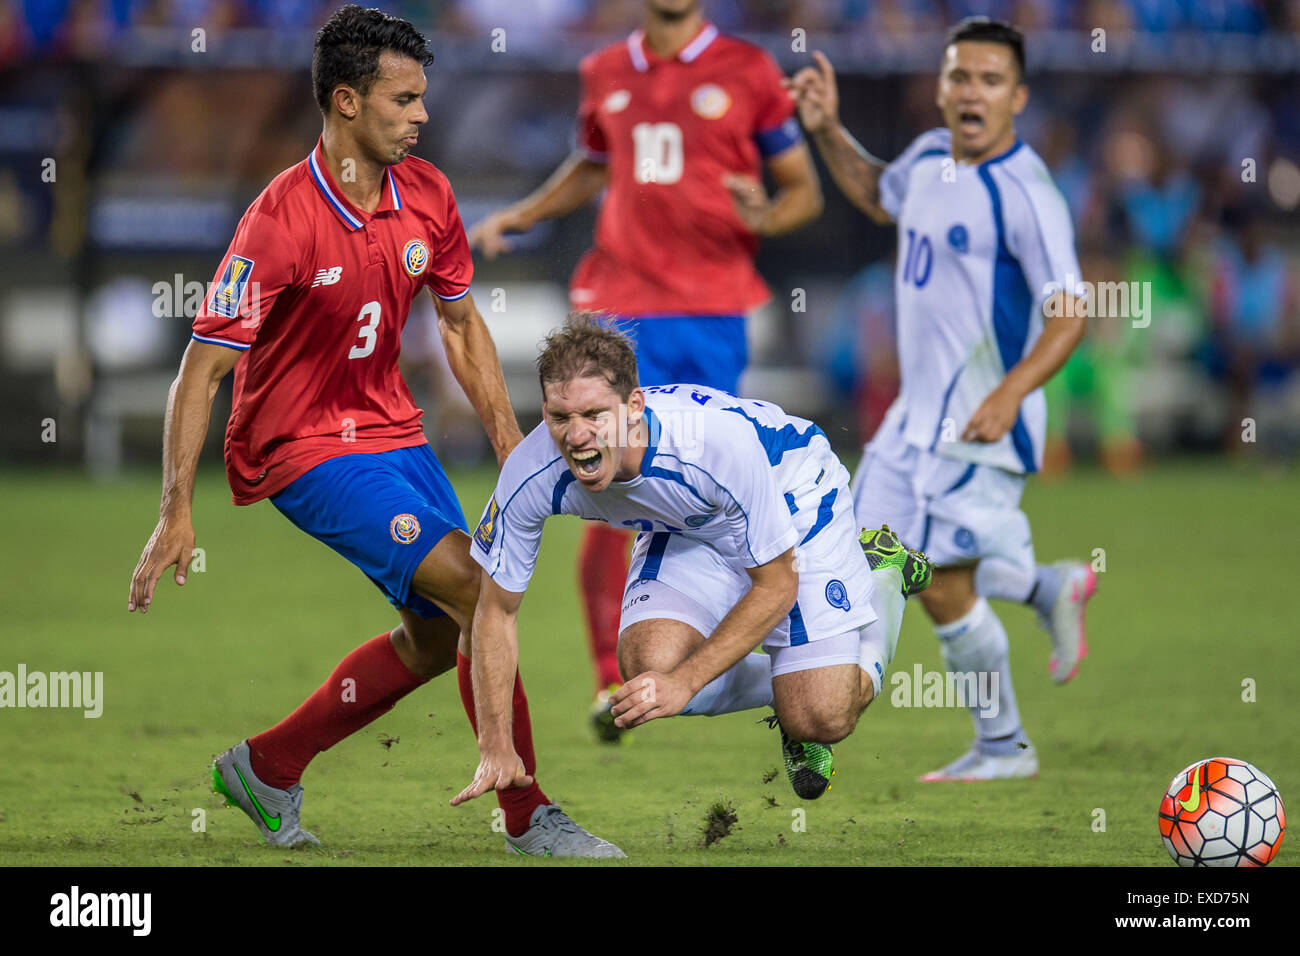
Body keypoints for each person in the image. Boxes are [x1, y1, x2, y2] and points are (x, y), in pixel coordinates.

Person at [126, 5, 621, 858]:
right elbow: (201, 369)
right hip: (300, 447)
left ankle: (267, 766)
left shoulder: (428, 194)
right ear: (347, 102)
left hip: (391, 429)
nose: (423, 115)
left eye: (423, 97)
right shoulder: (277, 222)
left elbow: (462, 328)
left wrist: (510, 447)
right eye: (406, 99)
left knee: (438, 637)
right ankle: (527, 812)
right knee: (477, 589)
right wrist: (175, 509)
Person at [469, 0, 823, 741]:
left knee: (707, 481)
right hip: (621, 296)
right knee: (604, 472)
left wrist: (765, 217)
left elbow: (803, 194)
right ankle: (613, 673)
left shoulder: (750, 71)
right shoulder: (603, 69)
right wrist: (526, 213)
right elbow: (593, 164)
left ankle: (762, 637)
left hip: (710, 306)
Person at [448, 314, 931, 807]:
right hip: (689, 521)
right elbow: (496, 611)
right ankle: (791, 688)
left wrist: (687, 682)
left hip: (792, 494)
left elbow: (776, 585)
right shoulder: (532, 473)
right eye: (560, 417)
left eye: (595, 415)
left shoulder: (709, 448)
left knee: (822, 718)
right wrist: (496, 745)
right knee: (647, 668)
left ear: (634, 406)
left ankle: (883, 572)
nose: (576, 436)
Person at [789, 17, 1098, 781]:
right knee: (859, 560)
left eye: (991, 81)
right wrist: (828, 130)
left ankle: (998, 745)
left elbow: (1071, 312)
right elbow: (876, 192)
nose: (972, 93)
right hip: (911, 419)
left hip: (983, 426)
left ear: (1017, 97)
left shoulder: (1028, 197)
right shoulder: (929, 157)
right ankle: (1043, 587)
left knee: (937, 579)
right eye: (960, 76)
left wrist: (1010, 391)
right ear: (941, 86)